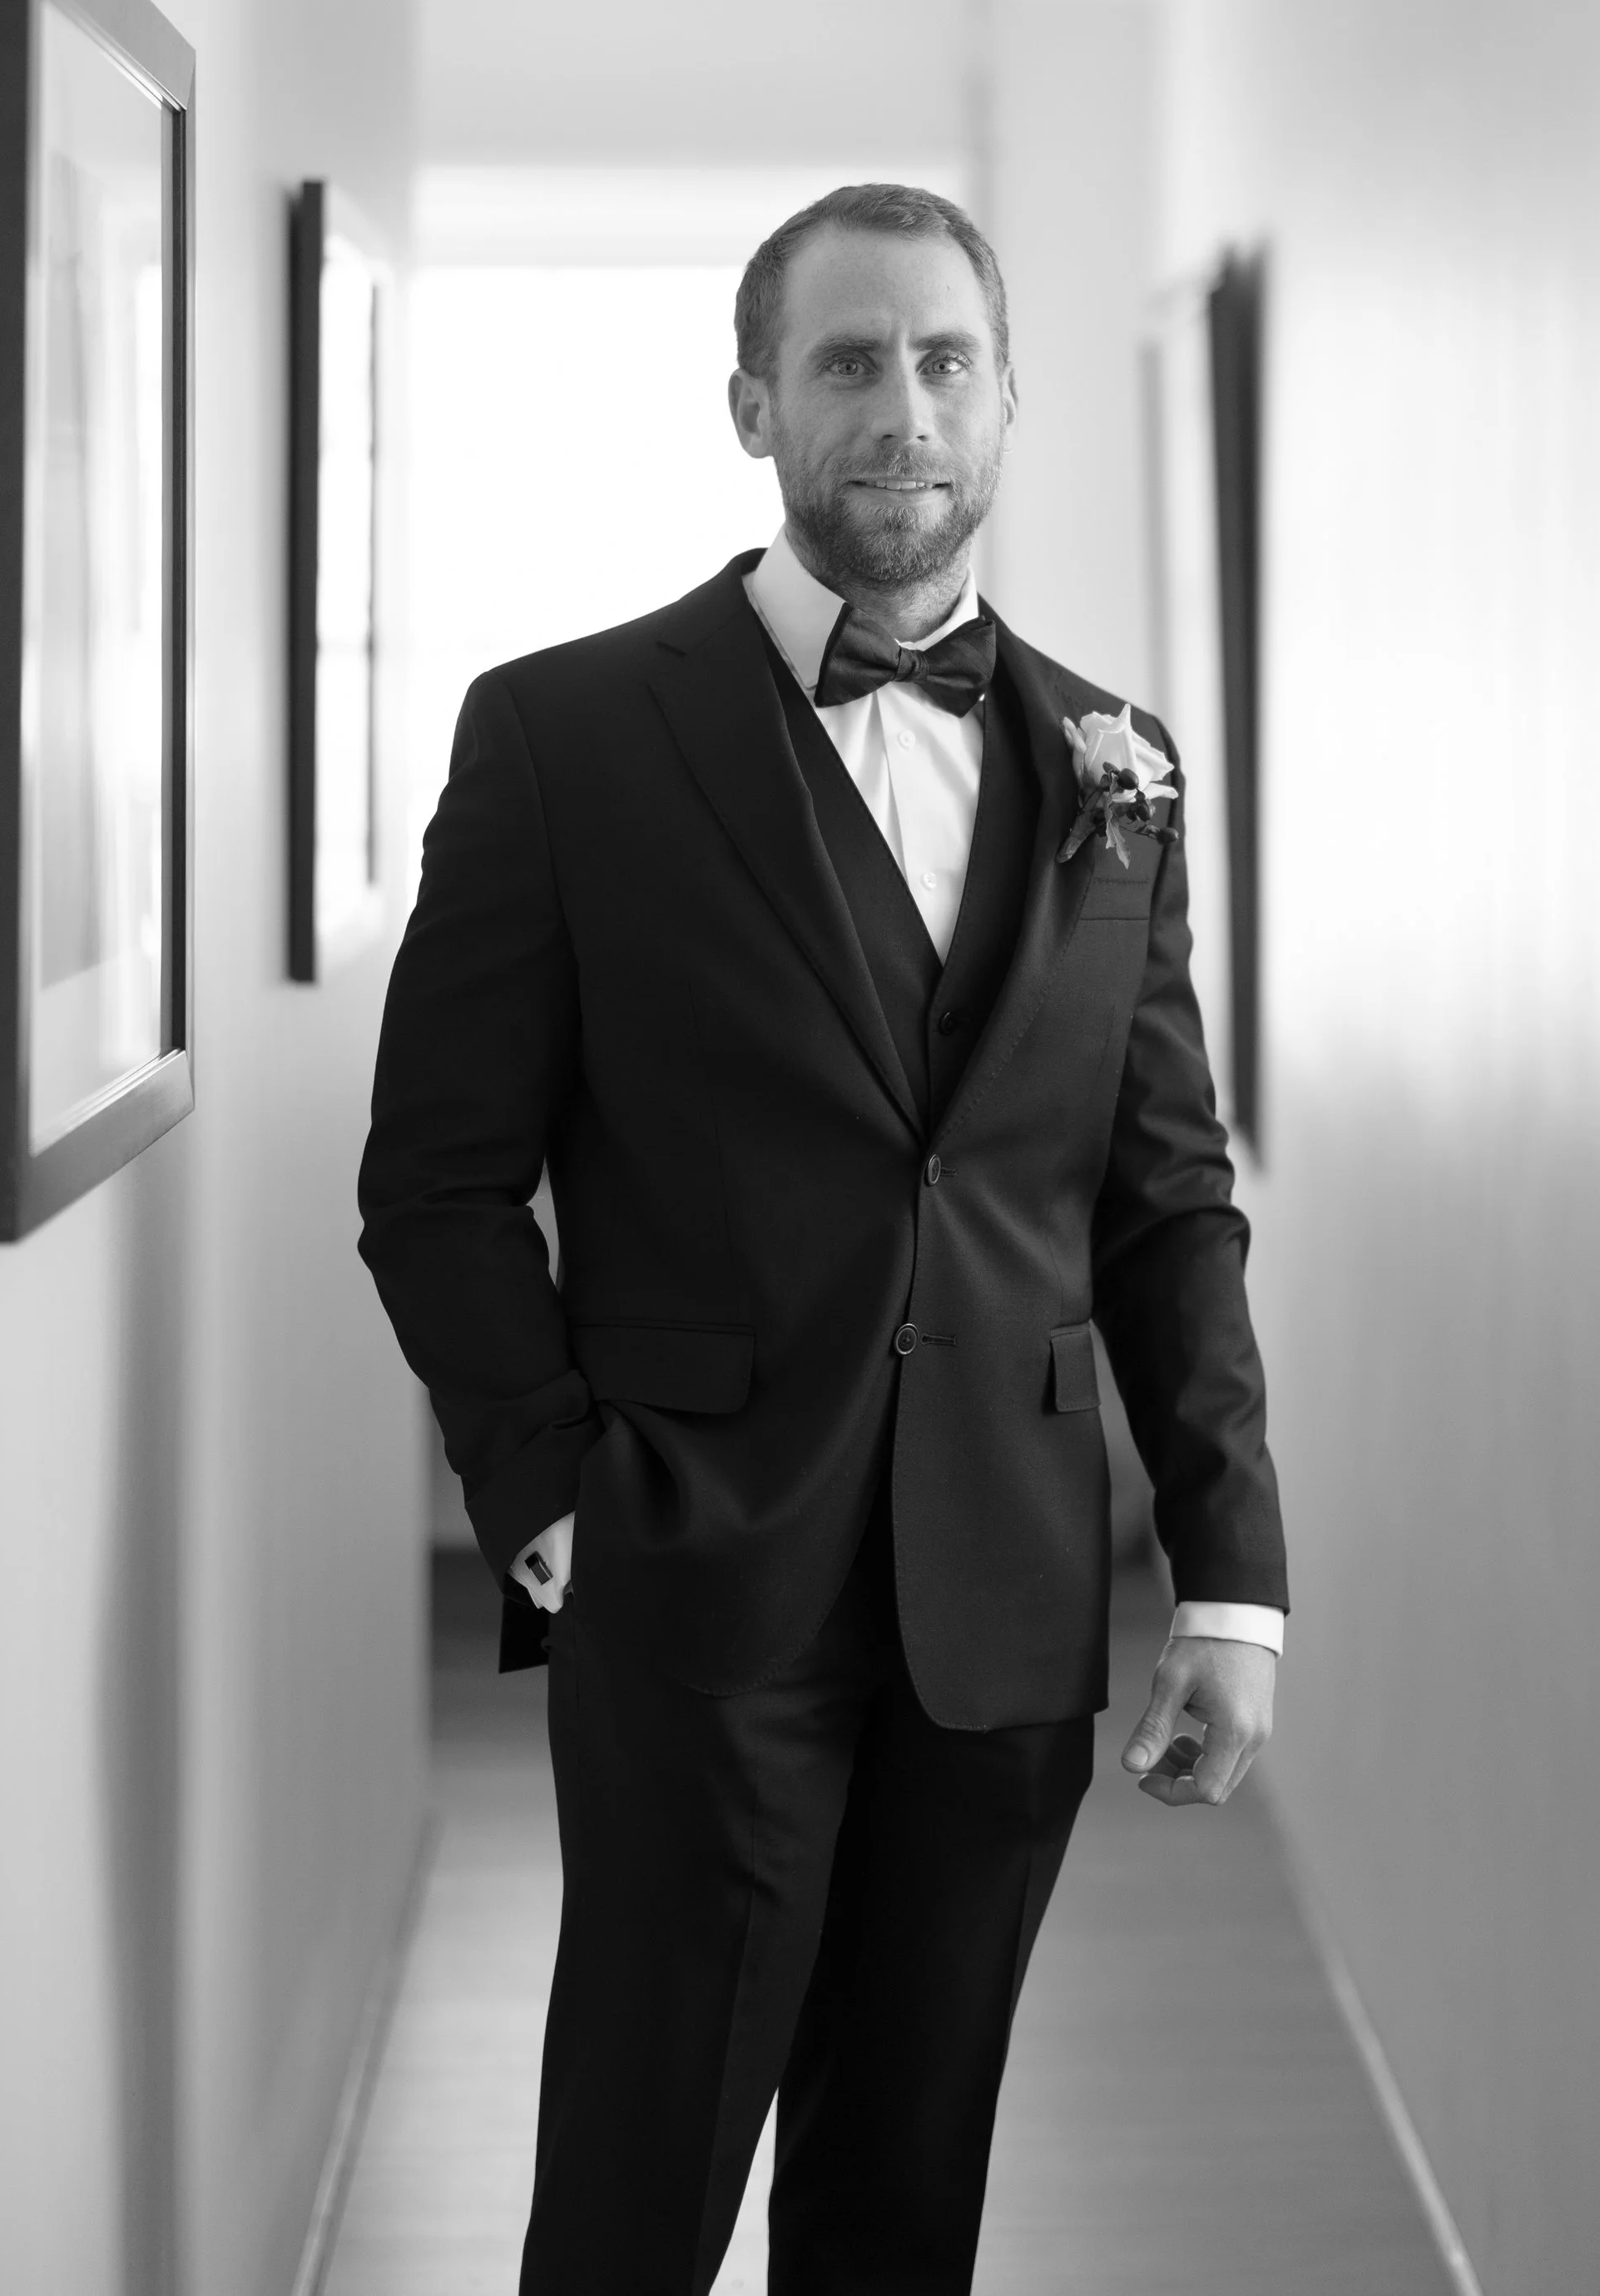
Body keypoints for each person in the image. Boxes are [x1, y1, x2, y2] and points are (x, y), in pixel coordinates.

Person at [358, 181, 1287, 2296]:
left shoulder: (1106, 762)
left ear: (1007, 398)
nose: (902, 408)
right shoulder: (567, 734)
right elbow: (431, 1179)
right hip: (692, 1587)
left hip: (1001, 1617)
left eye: (944, 359)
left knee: (901, 2212)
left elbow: (1163, 1203)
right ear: (751, 405)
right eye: (848, 361)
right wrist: (548, 1502)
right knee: (630, 2205)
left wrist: (1231, 1575)